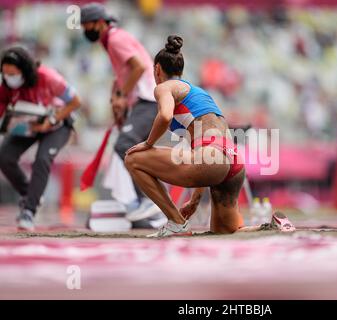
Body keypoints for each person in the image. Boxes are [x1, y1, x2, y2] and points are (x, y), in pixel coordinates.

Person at [125, 35, 246, 237]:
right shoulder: (200, 93)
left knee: (133, 159)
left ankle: (176, 222)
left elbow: (164, 116)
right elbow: (201, 150)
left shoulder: (164, 87)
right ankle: (275, 226)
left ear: (157, 70)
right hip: (232, 163)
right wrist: (195, 200)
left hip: (211, 158)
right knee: (226, 231)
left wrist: (148, 143)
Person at [80, 2, 165, 227]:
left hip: (148, 99)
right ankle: (152, 199)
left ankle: (147, 199)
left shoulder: (115, 40)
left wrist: (121, 96)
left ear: (99, 23)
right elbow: (122, 75)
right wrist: (118, 100)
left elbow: (138, 67)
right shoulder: (112, 40)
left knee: (125, 145)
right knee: (137, 150)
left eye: (87, 25)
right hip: (144, 101)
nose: (85, 30)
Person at [0, 46, 81, 230]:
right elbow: (2, 103)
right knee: (4, 157)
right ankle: (30, 193)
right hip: (28, 125)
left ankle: (29, 210)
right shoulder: (6, 85)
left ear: (24, 71)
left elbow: (76, 101)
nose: (8, 78)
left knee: (42, 159)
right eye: (4, 73)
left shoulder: (48, 77)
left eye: (12, 74)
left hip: (57, 124)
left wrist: (51, 120)